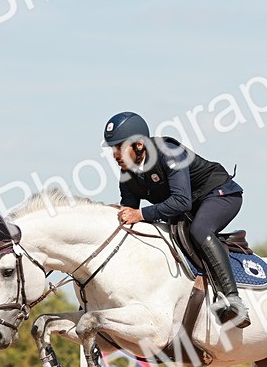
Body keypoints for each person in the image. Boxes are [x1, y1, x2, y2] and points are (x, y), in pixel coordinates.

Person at [103, 111, 250, 328]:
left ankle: (232, 300)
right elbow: (130, 212)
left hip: (220, 194)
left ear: (139, 145)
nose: (115, 154)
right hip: (190, 206)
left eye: (119, 147)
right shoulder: (127, 175)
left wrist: (141, 214)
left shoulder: (168, 153)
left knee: (199, 230)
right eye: (113, 148)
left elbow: (181, 202)